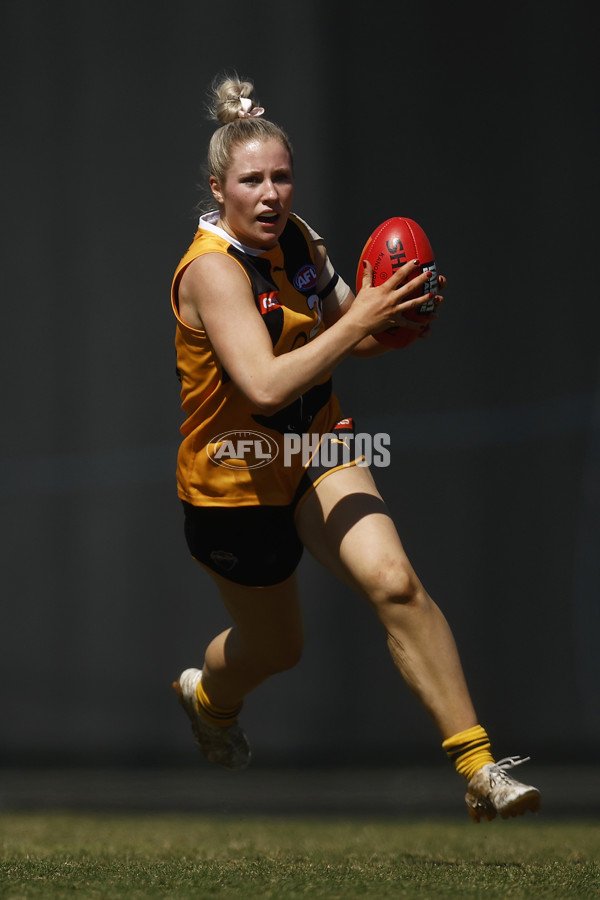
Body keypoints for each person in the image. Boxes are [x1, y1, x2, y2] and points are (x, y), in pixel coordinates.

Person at [170, 74, 541, 823]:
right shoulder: (211, 270)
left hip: (314, 450)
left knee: (396, 583)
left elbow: (355, 336)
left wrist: (398, 315)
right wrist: (357, 322)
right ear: (220, 187)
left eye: (282, 176)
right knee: (277, 650)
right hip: (234, 481)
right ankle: (207, 698)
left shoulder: (300, 239)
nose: (272, 194)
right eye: (253, 181)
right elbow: (266, 385)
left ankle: (480, 769)